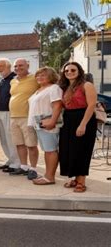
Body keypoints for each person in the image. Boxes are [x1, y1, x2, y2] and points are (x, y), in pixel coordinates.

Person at [58, 62, 97, 193]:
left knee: (82, 150)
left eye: (73, 70)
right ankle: (75, 178)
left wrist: (83, 124)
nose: (69, 72)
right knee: (69, 150)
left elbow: (91, 105)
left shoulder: (87, 85)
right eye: (66, 71)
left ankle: (81, 181)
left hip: (83, 118)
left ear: (79, 71)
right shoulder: (65, 87)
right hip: (68, 119)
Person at [27, 67, 63, 185]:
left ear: (51, 76)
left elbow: (57, 105)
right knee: (47, 150)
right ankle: (48, 174)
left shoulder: (54, 88)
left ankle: (50, 177)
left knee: (50, 150)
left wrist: (52, 121)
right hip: (39, 124)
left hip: (47, 124)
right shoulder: (40, 89)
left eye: (43, 75)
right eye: (38, 75)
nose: (39, 77)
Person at [8, 58, 40, 180]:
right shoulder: (13, 81)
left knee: (31, 144)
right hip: (13, 117)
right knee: (19, 144)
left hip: (28, 116)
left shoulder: (34, 78)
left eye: (21, 65)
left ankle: (33, 169)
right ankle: (24, 167)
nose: (17, 68)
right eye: (15, 66)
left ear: (28, 65)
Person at [0, 58, 21, 172]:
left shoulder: (15, 78)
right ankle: (10, 160)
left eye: (1, 66)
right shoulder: (2, 80)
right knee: (4, 139)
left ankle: (16, 163)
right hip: (0, 112)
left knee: (11, 138)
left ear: (8, 66)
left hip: (10, 112)